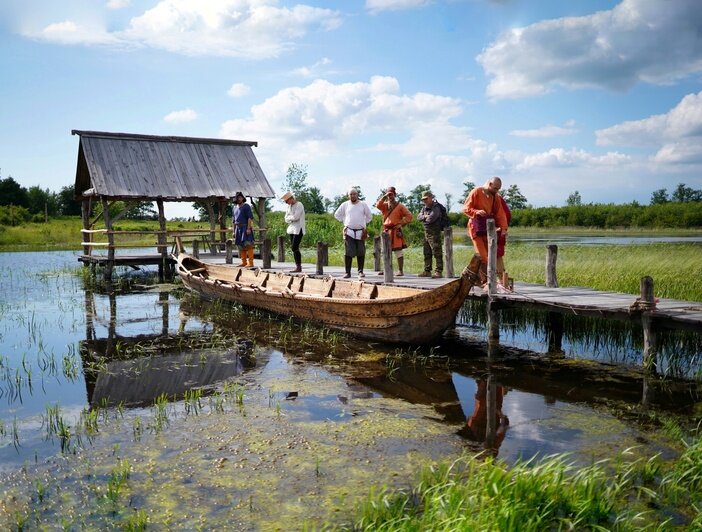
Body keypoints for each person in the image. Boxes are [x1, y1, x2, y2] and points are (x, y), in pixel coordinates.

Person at [462, 177, 508, 283]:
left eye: (498, 189)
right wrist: (476, 212)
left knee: (490, 256)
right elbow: (465, 208)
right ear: (490, 184)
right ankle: (484, 282)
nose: (496, 191)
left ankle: (482, 280)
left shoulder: (495, 197)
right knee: (482, 256)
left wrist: (504, 228)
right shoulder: (476, 192)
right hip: (475, 228)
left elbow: (500, 213)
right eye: (495, 188)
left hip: (488, 229)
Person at [334, 187, 372, 278]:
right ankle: (347, 272)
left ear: (357, 195)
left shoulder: (363, 204)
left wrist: (363, 223)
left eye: (354, 194)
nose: (352, 196)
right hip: (349, 232)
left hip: (360, 233)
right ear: (348, 196)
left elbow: (369, 216)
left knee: (361, 251)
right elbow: (337, 215)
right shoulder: (345, 205)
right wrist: (345, 221)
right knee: (348, 252)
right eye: (351, 194)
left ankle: (360, 271)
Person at [375, 186, 413, 276]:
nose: (390, 196)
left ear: (395, 195)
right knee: (385, 251)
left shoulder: (400, 206)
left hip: (396, 231)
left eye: (391, 194)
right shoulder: (384, 205)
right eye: (388, 194)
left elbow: (409, 216)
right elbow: (377, 205)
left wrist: (401, 223)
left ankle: (400, 270)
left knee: (398, 251)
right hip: (386, 231)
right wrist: (384, 196)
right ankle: (386, 269)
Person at [417, 190, 443, 278]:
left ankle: (438, 271)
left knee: (437, 252)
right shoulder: (424, 207)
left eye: (426, 199)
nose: (425, 201)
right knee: (426, 252)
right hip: (426, 233)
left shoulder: (436, 207)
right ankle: (427, 271)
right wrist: (425, 216)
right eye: (423, 199)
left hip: (434, 233)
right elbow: (418, 217)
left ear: (431, 198)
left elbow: (431, 219)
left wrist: (424, 217)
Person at [281, 191, 305, 273]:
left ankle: (299, 266)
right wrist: (291, 218)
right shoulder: (289, 207)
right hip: (292, 229)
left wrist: (289, 218)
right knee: (294, 248)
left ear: (291, 198)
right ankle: (297, 266)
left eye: (287, 201)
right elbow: (285, 218)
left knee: (294, 247)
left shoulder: (299, 204)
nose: (286, 203)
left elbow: (296, 217)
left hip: (299, 229)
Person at [232, 191, 255, 267]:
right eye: (238, 198)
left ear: (243, 198)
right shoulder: (234, 208)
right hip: (238, 228)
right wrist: (233, 231)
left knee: (248, 244)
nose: (239, 199)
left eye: (240, 197)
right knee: (240, 246)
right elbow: (234, 221)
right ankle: (243, 262)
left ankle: (250, 263)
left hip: (245, 227)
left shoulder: (246, 206)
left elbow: (249, 218)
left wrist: (248, 228)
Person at [496, 192, 512, 283]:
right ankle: (501, 281)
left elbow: (507, 214)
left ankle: (501, 281)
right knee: (497, 255)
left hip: (497, 232)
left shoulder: (495, 198)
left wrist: (502, 228)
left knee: (496, 255)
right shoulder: (498, 198)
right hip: (500, 231)